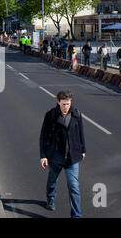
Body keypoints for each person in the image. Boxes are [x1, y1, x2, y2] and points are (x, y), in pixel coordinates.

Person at [39, 90, 86, 218]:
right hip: (55, 158)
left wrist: (83, 150)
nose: (66, 107)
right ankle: (50, 198)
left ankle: (76, 215)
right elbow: (43, 136)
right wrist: (43, 155)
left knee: (74, 188)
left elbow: (80, 134)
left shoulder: (77, 115)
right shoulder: (51, 115)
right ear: (58, 102)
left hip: (71, 159)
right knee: (52, 182)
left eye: (68, 103)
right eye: (64, 104)